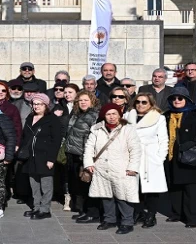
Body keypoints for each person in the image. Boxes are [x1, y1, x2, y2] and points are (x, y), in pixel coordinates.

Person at [84, 103, 142, 235]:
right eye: (108, 114)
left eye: (114, 113)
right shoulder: (96, 129)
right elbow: (89, 147)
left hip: (122, 168)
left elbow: (136, 149)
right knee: (106, 195)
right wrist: (88, 163)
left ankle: (127, 222)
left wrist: (132, 167)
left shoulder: (128, 129)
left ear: (119, 114)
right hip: (102, 168)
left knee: (124, 196)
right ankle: (109, 219)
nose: (111, 117)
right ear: (104, 116)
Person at [163, 87, 196, 228]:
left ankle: (193, 218)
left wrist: (195, 141)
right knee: (175, 188)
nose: (177, 101)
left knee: (193, 190)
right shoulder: (167, 115)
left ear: (187, 100)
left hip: (192, 157)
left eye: (180, 98)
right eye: (173, 98)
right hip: (172, 157)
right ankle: (177, 213)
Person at [126, 93, 168, 228]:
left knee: (151, 189)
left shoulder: (158, 118)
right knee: (134, 187)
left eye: (144, 102)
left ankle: (151, 215)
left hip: (150, 157)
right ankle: (137, 213)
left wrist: (159, 158)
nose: (140, 104)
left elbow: (163, 139)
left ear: (150, 104)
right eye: (138, 101)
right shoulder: (128, 116)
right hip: (132, 156)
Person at [20, 93, 62, 220]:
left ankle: (45, 209)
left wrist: (51, 159)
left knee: (46, 185)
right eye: (34, 104)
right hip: (31, 157)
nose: (36, 106)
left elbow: (56, 141)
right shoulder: (30, 117)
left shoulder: (52, 119)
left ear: (46, 105)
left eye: (39, 104)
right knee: (34, 184)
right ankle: (36, 207)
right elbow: (25, 137)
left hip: (45, 157)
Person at [64, 91, 100, 222]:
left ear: (92, 101)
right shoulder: (76, 114)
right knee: (80, 185)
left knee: (88, 184)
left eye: (86, 100)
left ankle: (93, 213)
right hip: (73, 154)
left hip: (84, 155)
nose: (83, 102)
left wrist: (88, 157)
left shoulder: (94, 116)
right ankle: (84, 210)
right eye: (80, 100)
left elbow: (93, 137)